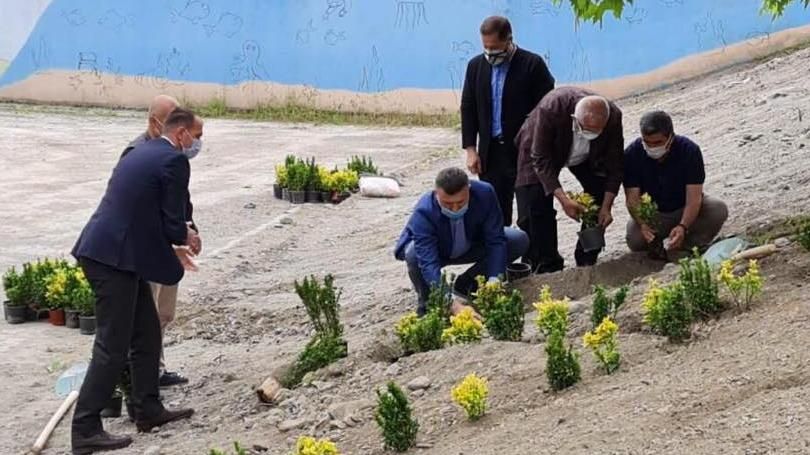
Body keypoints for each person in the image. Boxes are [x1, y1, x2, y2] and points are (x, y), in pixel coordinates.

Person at [70, 108, 199, 454]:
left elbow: (144, 217)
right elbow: (170, 223)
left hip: (116, 254)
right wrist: (185, 236)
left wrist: (174, 245)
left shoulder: (142, 151)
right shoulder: (173, 160)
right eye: (197, 137)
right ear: (182, 134)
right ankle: (85, 428)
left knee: (145, 332)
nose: (197, 144)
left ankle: (148, 408)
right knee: (112, 346)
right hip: (111, 259)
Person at [121, 95, 203, 387]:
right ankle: (140, 378)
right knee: (146, 315)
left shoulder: (173, 155)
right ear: (156, 122)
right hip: (147, 248)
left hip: (169, 244)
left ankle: (156, 368)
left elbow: (179, 199)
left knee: (164, 314)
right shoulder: (137, 153)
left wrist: (188, 228)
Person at [515, 87, 624, 271]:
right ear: (574, 118)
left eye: (595, 131)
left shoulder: (613, 116)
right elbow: (540, 159)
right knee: (534, 203)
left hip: (587, 154)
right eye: (585, 129)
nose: (589, 133)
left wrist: (606, 206)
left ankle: (587, 256)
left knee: (598, 191)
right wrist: (564, 200)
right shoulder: (551, 108)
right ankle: (546, 264)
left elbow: (615, 164)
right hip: (542, 147)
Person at [394, 167, 529, 316]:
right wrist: (450, 303)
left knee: (517, 239)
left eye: (460, 202)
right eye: (447, 204)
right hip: (439, 251)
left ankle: (468, 284)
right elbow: (428, 263)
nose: (454, 208)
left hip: (472, 245)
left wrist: (494, 279)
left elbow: (495, 239)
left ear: (469, 190)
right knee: (413, 254)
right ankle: (430, 304)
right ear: (436, 193)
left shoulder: (485, 193)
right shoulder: (424, 211)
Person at [461, 15, 555, 227]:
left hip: (525, 151)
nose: (490, 53)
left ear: (509, 39)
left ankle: (532, 258)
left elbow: (547, 109)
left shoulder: (532, 64)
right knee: (494, 213)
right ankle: (499, 258)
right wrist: (471, 149)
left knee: (530, 212)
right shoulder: (475, 67)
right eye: (486, 48)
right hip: (490, 153)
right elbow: (468, 108)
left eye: (495, 48)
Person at [624, 110, 728, 255]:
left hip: (684, 206)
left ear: (670, 137)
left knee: (717, 209)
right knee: (634, 238)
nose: (652, 147)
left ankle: (690, 244)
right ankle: (656, 248)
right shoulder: (632, 154)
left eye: (658, 143)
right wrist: (643, 224)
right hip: (655, 214)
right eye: (647, 142)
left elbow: (694, 198)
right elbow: (632, 199)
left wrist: (683, 226)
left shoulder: (689, 151)